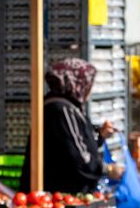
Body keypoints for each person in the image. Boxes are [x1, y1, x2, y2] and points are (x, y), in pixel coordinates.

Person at [19, 58, 124, 194]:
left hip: (64, 193)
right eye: (88, 83)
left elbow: (76, 142)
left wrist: (100, 135)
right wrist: (107, 169)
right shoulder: (62, 110)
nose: (90, 90)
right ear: (77, 84)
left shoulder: (68, 107)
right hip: (59, 194)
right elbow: (78, 157)